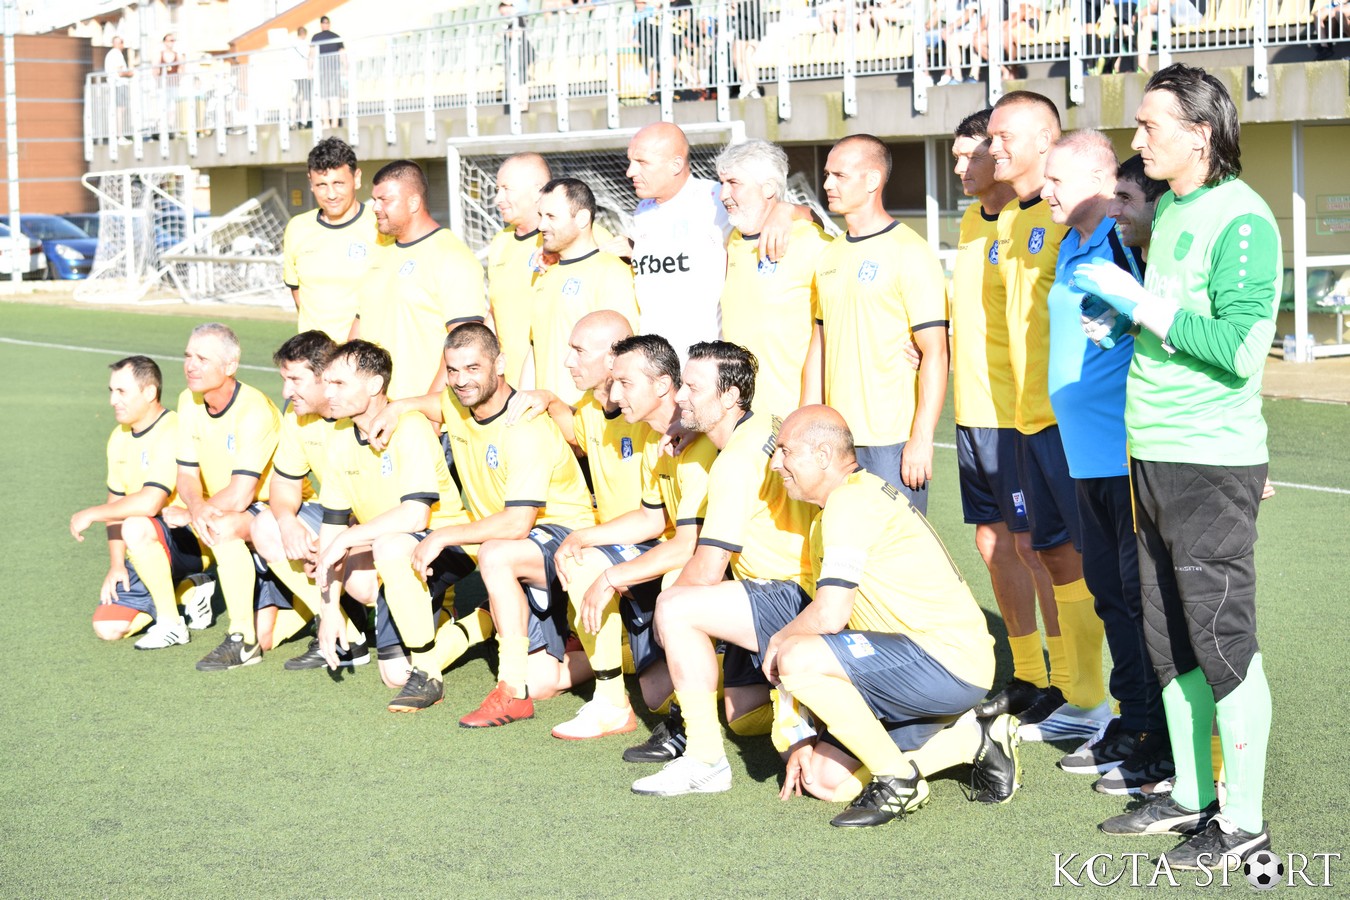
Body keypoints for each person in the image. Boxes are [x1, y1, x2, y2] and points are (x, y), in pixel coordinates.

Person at [1077, 63, 1281, 870]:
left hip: (1208, 461)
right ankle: (1193, 794)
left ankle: (1245, 821)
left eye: (1150, 125)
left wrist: (1143, 307)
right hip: (1152, 451)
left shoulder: (1243, 218)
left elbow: (1238, 348)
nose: (1137, 139)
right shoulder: (1171, 208)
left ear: (1201, 132)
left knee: (1221, 639)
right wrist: (1124, 321)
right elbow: (1176, 324)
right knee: (1168, 640)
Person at [766, 406, 1020, 827]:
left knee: (794, 653)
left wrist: (778, 643)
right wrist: (799, 734)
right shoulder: (842, 505)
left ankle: (897, 780)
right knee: (825, 780)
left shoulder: (850, 502)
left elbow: (830, 616)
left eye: (785, 451)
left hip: (948, 662)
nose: (776, 463)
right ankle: (973, 738)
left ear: (824, 455)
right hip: (911, 665)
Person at [368, 324, 597, 721]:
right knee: (391, 546)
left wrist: (441, 536)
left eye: (473, 368)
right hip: (503, 537)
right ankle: (441, 658)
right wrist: (396, 407)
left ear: (500, 364)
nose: (461, 380)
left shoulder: (525, 426)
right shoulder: (459, 403)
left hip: (559, 539)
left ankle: (520, 685)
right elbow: (436, 404)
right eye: (453, 370)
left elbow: (518, 524)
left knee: (496, 557)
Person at [1040, 130, 1170, 796]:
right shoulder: (1070, 243)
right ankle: (1133, 718)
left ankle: (1159, 737)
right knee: (1110, 593)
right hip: (1082, 456)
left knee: (1137, 596)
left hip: (1124, 451)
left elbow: (1164, 326)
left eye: (1056, 180)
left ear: (1098, 180)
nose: (1044, 191)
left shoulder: (1123, 242)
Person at [979, 91, 1109, 743]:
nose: (992, 147)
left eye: (1004, 136)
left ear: (1043, 140)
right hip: (1024, 421)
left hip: (1072, 424)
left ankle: (1117, 703)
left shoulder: (1081, 223)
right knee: (1051, 555)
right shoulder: (1009, 220)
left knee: (1099, 562)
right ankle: (1083, 700)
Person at [629, 342, 816, 797]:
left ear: (730, 396)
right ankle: (806, 704)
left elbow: (708, 568)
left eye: (693, 388)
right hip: (802, 586)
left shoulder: (733, 463)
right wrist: (693, 424)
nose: (679, 396)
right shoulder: (764, 421)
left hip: (790, 594)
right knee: (742, 714)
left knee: (675, 608)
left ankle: (705, 759)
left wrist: (662, 617)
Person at [947, 108, 1058, 746]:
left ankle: (1067, 680)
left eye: (973, 154)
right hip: (971, 413)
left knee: (1036, 547)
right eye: (958, 157)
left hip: (1016, 416)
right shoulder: (972, 222)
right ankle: (1029, 673)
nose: (963, 167)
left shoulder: (1033, 218)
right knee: (993, 546)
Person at [313, 340, 486, 707]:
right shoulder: (339, 435)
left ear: (375, 385)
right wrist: (328, 612)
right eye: (326, 383)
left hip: (447, 543)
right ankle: (443, 614)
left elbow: (415, 515)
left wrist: (347, 539)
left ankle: (478, 626)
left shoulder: (410, 427)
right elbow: (331, 528)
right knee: (394, 675)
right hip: (394, 547)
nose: (328, 393)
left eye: (339, 383)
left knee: (387, 546)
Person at [505, 311, 653, 738]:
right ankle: (615, 677)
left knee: (580, 559)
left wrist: (585, 536)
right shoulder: (589, 407)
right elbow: (580, 433)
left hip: (657, 543)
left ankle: (613, 701)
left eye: (578, 351)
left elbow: (655, 519)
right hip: (619, 542)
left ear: (613, 358)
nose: (568, 360)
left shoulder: (652, 415)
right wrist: (551, 400)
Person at [118, 325, 285, 670]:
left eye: (202, 358)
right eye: (188, 356)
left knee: (221, 527)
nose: (191, 365)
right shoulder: (188, 400)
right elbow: (187, 474)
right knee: (135, 527)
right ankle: (171, 622)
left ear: (230, 366)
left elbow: (241, 495)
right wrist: (195, 507)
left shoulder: (254, 410)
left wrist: (195, 513)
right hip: (209, 511)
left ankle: (245, 639)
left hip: (266, 512)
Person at [807, 134, 948, 514]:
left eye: (839, 175)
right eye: (827, 174)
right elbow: (819, 346)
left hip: (892, 439)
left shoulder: (911, 251)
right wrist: (807, 425)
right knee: (839, 542)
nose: (827, 184)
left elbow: (936, 352)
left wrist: (921, 438)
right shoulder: (829, 255)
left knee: (895, 545)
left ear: (872, 180)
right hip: (835, 439)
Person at [625, 124, 803, 363]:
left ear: (675, 165)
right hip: (653, 363)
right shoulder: (642, 210)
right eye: (630, 161)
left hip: (702, 363)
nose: (630, 171)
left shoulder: (716, 198)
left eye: (641, 162)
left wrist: (786, 210)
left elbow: (781, 215)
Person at [249, 331, 371, 672]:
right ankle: (344, 635)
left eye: (295, 380)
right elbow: (284, 483)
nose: (286, 392)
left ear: (324, 378)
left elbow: (389, 504)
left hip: (376, 525)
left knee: (363, 586)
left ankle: (429, 618)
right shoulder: (296, 415)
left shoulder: (361, 412)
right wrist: (288, 523)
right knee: (267, 525)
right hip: (335, 520)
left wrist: (338, 542)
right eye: (284, 379)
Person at [70, 356, 212, 645]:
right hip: (148, 542)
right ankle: (189, 590)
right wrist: (116, 565)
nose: (113, 400)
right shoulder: (118, 437)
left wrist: (90, 513)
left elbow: (150, 503)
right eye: (111, 391)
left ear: (149, 392)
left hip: (192, 539)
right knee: (108, 628)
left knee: (135, 525)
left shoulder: (172, 429)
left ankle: (171, 624)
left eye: (122, 391)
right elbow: (115, 505)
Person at [353, 160, 486, 401]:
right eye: (374, 200)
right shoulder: (379, 254)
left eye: (385, 200)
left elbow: (464, 346)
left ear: (413, 202)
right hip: (372, 409)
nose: (375, 207)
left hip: (420, 412)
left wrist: (426, 410)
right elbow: (360, 326)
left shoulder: (452, 256)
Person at [716, 139, 830, 418]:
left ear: (768, 188)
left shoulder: (811, 241)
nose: (723, 194)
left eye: (733, 183)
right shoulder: (733, 242)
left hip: (793, 415)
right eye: (722, 183)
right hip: (738, 416)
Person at [528, 178, 639, 405]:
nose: (541, 225)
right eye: (540, 216)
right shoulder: (545, 274)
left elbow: (624, 354)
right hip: (547, 417)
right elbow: (534, 349)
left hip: (588, 417)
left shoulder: (612, 271)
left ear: (582, 218)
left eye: (551, 217)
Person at [282, 137, 385, 342]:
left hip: (363, 354)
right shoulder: (297, 228)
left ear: (356, 178)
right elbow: (298, 293)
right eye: (321, 184)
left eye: (338, 183)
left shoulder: (380, 225)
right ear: (311, 183)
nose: (331, 194)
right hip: (314, 355)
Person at [487, 153, 553, 386]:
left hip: (558, 386)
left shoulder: (578, 235)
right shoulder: (500, 242)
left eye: (506, 189)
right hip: (510, 386)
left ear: (537, 191)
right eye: (497, 189)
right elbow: (495, 312)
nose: (498, 199)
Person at [310, 15, 346, 129]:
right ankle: (332, 123)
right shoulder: (335, 37)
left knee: (325, 98)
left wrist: (310, 69)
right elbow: (342, 53)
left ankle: (329, 123)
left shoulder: (317, 37)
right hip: (330, 71)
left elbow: (311, 54)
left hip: (325, 71)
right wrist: (346, 67)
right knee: (331, 97)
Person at [291, 26, 312, 127]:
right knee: (306, 98)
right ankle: (304, 121)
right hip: (305, 75)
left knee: (294, 99)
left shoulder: (292, 45)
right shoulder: (307, 44)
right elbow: (310, 58)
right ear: (305, 34)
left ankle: (292, 121)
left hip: (294, 75)